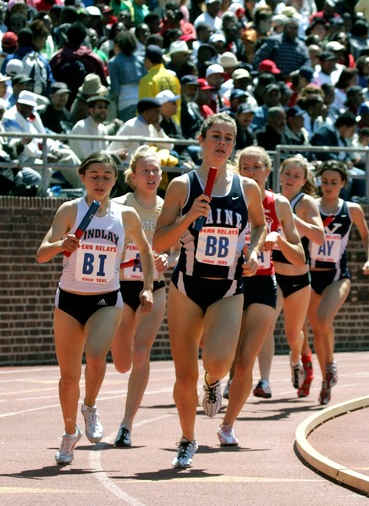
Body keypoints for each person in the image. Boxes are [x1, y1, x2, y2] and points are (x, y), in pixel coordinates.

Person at [152, 113, 267, 469]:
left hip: (229, 287)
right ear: (201, 141)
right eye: (215, 135)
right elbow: (158, 239)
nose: (222, 143)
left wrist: (254, 252)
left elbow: (260, 225)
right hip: (187, 288)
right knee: (184, 375)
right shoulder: (182, 186)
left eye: (229, 138)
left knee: (217, 361)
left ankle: (214, 381)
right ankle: (187, 439)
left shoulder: (247, 188)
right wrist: (188, 217)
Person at [36, 152, 155, 465]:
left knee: (97, 355)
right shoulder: (70, 210)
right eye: (94, 176)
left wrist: (147, 286)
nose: (100, 181)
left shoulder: (125, 214)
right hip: (70, 300)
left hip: (106, 298)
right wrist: (61, 244)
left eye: (106, 176)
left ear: (115, 180)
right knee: (68, 376)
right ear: (83, 178)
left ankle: (89, 406)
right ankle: (68, 431)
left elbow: (145, 250)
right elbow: (42, 253)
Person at [218, 146, 304, 446]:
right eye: (245, 167)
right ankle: (213, 380)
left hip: (264, 282)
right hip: (228, 282)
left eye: (257, 167)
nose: (251, 172)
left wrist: (277, 238)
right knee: (222, 354)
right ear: (236, 169)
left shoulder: (278, 204)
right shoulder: (226, 197)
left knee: (245, 359)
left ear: (268, 171)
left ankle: (228, 425)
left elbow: (300, 257)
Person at [110, 146, 175, 447]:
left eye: (156, 171)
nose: (151, 175)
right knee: (122, 362)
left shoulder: (167, 209)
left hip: (155, 287)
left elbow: (179, 247)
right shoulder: (119, 205)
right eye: (145, 171)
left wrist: (167, 260)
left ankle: (126, 424)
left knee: (141, 353)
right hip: (121, 285)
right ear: (133, 177)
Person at [254, 156, 325, 399]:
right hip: (273, 273)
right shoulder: (269, 199)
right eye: (287, 174)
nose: (291, 179)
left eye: (297, 175)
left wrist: (292, 219)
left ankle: (296, 360)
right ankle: (264, 381)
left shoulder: (305, 203)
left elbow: (319, 236)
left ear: (304, 180)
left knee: (294, 334)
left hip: (297, 278)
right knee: (266, 326)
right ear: (279, 175)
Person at [308, 160, 369, 405]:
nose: (328, 186)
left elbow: (367, 236)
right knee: (317, 328)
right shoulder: (310, 206)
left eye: (334, 182)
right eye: (324, 182)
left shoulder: (352, 209)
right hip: (310, 275)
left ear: (343, 184)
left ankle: (330, 365)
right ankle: (327, 373)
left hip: (337, 275)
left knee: (324, 319)